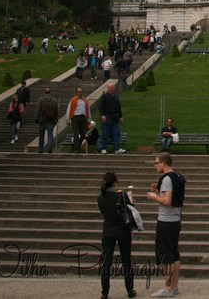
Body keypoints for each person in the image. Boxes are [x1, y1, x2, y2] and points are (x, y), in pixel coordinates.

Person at [147, 153, 184, 298]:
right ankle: (174, 286)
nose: (155, 165)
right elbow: (173, 196)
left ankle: (168, 288)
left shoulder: (167, 179)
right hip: (176, 220)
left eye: (156, 163)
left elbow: (167, 201)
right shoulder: (177, 176)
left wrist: (154, 197)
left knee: (166, 255)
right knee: (174, 254)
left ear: (164, 163)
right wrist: (159, 189)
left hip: (166, 221)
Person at [97, 171, 136, 299]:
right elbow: (130, 209)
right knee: (126, 260)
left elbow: (104, 212)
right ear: (115, 181)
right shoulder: (121, 195)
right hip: (123, 230)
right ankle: (130, 289)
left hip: (108, 230)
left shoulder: (100, 197)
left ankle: (105, 292)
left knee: (106, 261)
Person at [98, 83, 126, 154]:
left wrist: (120, 116)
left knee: (117, 133)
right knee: (105, 133)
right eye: (110, 87)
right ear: (107, 88)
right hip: (107, 117)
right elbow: (100, 106)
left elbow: (118, 107)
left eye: (112, 87)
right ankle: (103, 148)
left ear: (114, 88)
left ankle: (117, 148)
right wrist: (102, 115)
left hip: (116, 118)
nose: (111, 89)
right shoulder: (104, 96)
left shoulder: (116, 97)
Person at [36, 88, 60, 154]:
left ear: (45, 92)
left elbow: (38, 110)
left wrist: (37, 119)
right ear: (50, 92)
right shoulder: (54, 100)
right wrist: (56, 118)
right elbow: (56, 110)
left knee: (41, 134)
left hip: (42, 119)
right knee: (50, 134)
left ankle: (40, 149)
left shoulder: (41, 99)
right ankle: (50, 148)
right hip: (51, 119)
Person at [68, 87, 90, 154]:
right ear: (76, 93)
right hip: (75, 118)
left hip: (83, 118)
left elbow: (88, 110)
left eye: (81, 92)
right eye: (79, 92)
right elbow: (69, 110)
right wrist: (67, 119)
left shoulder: (85, 100)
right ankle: (75, 149)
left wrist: (89, 119)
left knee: (83, 134)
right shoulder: (73, 100)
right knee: (76, 134)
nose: (80, 93)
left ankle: (77, 147)